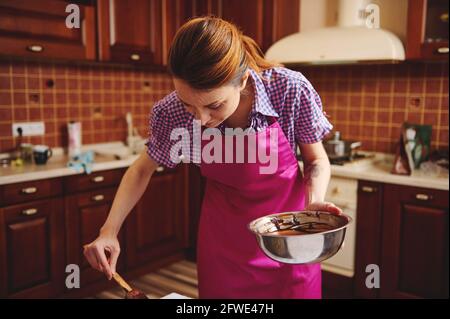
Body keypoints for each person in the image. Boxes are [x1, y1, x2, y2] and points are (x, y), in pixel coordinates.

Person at [84, 16, 342, 299]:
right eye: (188, 104)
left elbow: (315, 161)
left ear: (242, 80)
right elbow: (142, 169)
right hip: (224, 251)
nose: (202, 119)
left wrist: (314, 201)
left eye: (214, 105)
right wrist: (108, 230)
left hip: (289, 245)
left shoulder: (289, 90)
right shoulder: (170, 112)